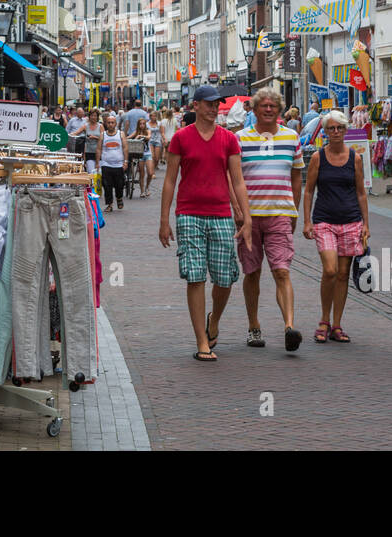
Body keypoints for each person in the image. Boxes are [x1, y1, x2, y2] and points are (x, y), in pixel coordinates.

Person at [159, 85, 251, 362]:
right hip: (188, 213)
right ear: (195, 105)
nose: (214, 108)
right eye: (209, 103)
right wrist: (165, 219)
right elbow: (169, 180)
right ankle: (202, 341)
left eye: (216, 104)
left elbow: (238, 181)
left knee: (225, 278)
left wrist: (246, 219)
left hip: (221, 214)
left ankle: (214, 321)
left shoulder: (229, 139)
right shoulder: (180, 139)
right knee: (195, 276)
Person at [238, 88, 304, 351]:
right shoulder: (240, 138)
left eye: (272, 106)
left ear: (279, 110)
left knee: (282, 270)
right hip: (250, 217)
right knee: (252, 272)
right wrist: (239, 214)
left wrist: (294, 210)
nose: (268, 110)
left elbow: (297, 175)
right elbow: (234, 178)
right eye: (263, 106)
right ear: (254, 110)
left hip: (280, 213)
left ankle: (289, 326)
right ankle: (254, 326)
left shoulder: (292, 137)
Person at [302, 109, 367, 344]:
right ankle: (323, 319)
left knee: (342, 274)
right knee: (330, 270)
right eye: (331, 128)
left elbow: (361, 193)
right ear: (326, 132)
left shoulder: (355, 158)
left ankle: (337, 324)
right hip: (324, 220)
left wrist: (365, 224)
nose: (336, 132)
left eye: (339, 128)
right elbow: (308, 190)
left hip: (350, 220)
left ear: (345, 130)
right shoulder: (318, 157)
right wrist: (307, 220)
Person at [99, 113, 127, 211]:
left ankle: (119, 198)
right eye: (109, 123)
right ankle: (109, 204)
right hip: (106, 164)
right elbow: (98, 149)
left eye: (112, 122)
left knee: (120, 184)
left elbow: (125, 148)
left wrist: (126, 161)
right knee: (107, 185)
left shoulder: (121, 134)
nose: (110, 124)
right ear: (106, 124)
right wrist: (98, 163)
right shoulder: (103, 135)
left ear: (115, 124)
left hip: (118, 164)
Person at [72, 107, 103, 172]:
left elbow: (104, 139)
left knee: (99, 173)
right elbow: (76, 133)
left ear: (97, 117)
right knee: (90, 171)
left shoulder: (100, 126)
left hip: (99, 153)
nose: (93, 117)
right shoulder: (85, 126)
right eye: (92, 115)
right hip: (89, 152)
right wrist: (66, 135)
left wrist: (95, 137)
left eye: (95, 116)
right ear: (89, 116)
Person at [129, 117, 153, 196]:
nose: (142, 125)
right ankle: (142, 191)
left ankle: (147, 187)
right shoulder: (136, 132)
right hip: (140, 154)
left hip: (148, 153)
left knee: (150, 173)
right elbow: (128, 138)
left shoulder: (148, 131)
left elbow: (149, 137)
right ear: (138, 125)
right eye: (140, 124)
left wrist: (140, 136)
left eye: (143, 124)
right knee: (142, 173)